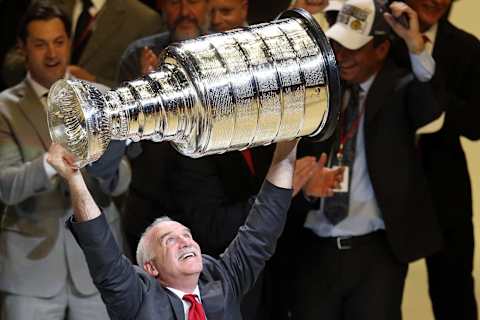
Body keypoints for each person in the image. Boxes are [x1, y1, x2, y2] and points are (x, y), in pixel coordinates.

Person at [47, 139, 339, 320]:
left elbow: (264, 223)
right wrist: (74, 179)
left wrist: (288, 140)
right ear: (150, 267)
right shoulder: (137, 300)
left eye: (186, 235)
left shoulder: (224, 279)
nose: (185, 241)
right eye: (169, 240)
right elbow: (103, 252)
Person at [288, 0, 444, 319]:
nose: (341, 56)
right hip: (314, 250)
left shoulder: (401, 91)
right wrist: (305, 187)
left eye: (353, 48)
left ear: (382, 49)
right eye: (337, 45)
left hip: (376, 254)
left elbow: (431, 107)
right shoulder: (320, 93)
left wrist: (416, 46)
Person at [0, 1, 131, 319]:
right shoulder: (5, 107)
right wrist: (49, 163)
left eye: (59, 42)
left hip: (97, 265)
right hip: (31, 274)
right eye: (40, 44)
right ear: (23, 48)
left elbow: (122, 181)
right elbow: (6, 186)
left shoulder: (99, 96)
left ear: (69, 43)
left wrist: (108, 162)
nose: (52, 54)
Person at [391, 0, 480, 319]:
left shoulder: (466, 47)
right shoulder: (381, 37)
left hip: (444, 185)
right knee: (377, 293)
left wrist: (426, 72)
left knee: (454, 290)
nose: (436, 1)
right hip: (383, 184)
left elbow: (475, 124)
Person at [117, 0, 210, 82]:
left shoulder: (223, 48)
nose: (184, 12)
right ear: (163, 7)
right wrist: (145, 84)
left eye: (193, 2)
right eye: (174, 2)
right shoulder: (137, 54)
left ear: (208, 5)